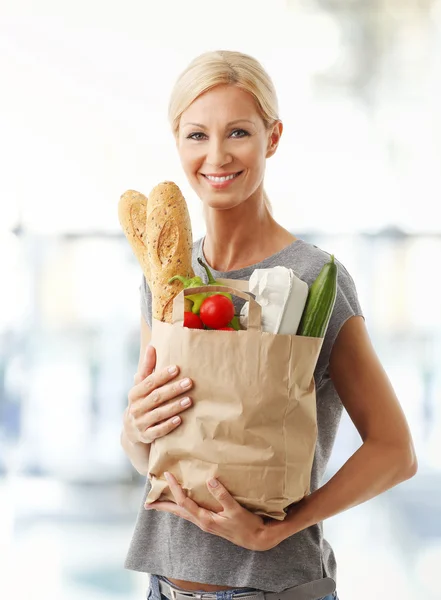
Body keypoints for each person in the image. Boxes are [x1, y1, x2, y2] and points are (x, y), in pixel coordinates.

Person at [121, 50, 417, 600]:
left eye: (237, 132)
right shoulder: (165, 279)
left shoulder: (314, 278)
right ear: (177, 142)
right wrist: (134, 426)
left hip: (275, 589)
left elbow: (394, 450)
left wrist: (279, 528)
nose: (216, 155)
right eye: (196, 135)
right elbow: (152, 454)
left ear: (272, 138)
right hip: (163, 586)